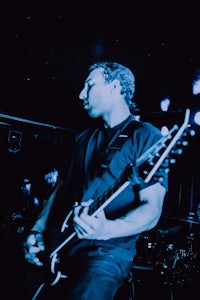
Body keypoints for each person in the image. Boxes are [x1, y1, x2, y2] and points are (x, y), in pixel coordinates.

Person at [22, 61, 168, 300]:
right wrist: (37, 229)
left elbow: (153, 208)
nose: (81, 94)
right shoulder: (83, 138)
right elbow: (61, 188)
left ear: (115, 87)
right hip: (62, 246)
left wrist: (108, 228)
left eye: (89, 85)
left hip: (107, 252)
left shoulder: (145, 136)